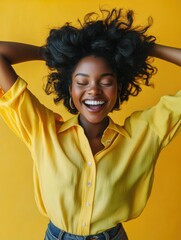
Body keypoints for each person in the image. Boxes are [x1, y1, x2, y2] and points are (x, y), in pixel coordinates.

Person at [0, 8, 181, 240]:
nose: (93, 90)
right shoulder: (41, 129)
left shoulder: (145, 134)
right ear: (69, 88)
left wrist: (141, 48)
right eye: (82, 82)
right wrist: (52, 54)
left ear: (119, 88)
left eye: (106, 82)